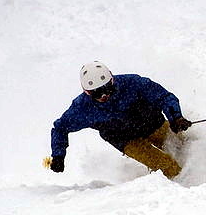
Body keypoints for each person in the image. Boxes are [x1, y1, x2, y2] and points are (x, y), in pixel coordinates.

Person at [49, 61, 192, 178]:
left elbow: (164, 97)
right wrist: (58, 155)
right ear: (87, 92)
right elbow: (60, 128)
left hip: (153, 124)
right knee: (165, 164)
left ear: (112, 80)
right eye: (97, 93)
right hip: (127, 141)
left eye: (107, 89)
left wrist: (176, 117)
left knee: (184, 146)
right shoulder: (82, 108)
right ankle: (186, 188)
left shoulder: (132, 83)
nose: (104, 96)